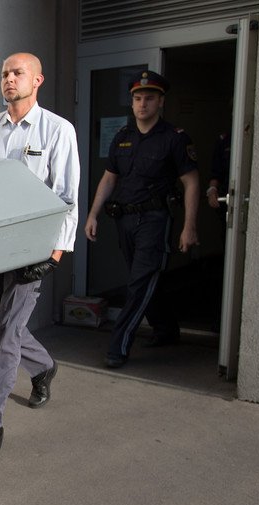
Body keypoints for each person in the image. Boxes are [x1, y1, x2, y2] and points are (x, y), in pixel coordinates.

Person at [0, 52, 79, 457]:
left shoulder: (57, 130)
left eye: (18, 73)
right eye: (5, 74)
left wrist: (55, 253)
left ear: (37, 80)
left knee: (8, 335)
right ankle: (44, 366)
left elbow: (66, 196)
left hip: (31, 248)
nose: (9, 79)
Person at [85, 70, 199, 368]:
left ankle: (118, 346)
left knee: (138, 283)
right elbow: (109, 179)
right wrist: (93, 214)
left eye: (149, 98)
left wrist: (189, 226)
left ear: (161, 102)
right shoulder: (123, 137)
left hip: (154, 220)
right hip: (125, 220)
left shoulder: (174, 138)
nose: (142, 104)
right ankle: (166, 328)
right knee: (147, 279)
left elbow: (191, 182)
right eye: (137, 98)